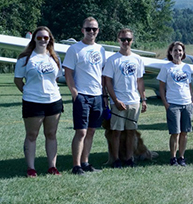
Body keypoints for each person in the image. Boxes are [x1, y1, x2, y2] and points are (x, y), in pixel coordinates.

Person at [14, 26, 63, 177]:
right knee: (32, 135)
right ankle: (31, 168)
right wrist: (29, 93)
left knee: (51, 134)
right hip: (32, 102)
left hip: (53, 101)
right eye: (39, 37)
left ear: (50, 40)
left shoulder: (55, 57)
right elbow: (18, 80)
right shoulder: (25, 58)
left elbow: (55, 79)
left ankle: (52, 167)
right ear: (34, 39)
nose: (42, 40)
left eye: (46, 38)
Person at [63, 17, 106, 175]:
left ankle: (85, 162)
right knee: (81, 132)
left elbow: (101, 72)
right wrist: (75, 93)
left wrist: (103, 93)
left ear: (98, 31)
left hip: (97, 96)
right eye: (88, 29)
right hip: (82, 95)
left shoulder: (101, 49)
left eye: (94, 29)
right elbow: (68, 72)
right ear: (83, 30)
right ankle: (76, 166)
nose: (91, 32)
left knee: (91, 131)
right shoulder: (74, 49)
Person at [102, 28, 147, 168]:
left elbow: (139, 81)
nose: (125, 42)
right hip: (118, 101)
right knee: (116, 132)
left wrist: (143, 99)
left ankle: (129, 158)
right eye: (123, 39)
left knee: (131, 132)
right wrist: (115, 100)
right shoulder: (112, 60)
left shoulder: (137, 59)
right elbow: (107, 81)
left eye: (128, 39)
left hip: (134, 101)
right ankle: (115, 159)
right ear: (118, 40)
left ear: (132, 41)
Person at [157, 41, 193, 166]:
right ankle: (173, 158)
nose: (178, 53)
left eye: (180, 50)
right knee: (175, 133)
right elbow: (161, 87)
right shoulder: (166, 67)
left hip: (187, 103)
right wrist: (166, 103)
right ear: (171, 52)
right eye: (175, 50)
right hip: (173, 104)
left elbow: (189, 85)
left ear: (183, 53)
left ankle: (181, 157)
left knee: (185, 133)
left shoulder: (187, 67)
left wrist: (192, 101)